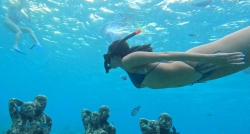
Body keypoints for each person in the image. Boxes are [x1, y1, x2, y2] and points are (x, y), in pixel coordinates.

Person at [103, 27, 250, 89]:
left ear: (114, 55)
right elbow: (164, 67)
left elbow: (167, 55)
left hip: (199, 63)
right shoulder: (130, 65)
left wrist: (212, 59)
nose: (107, 61)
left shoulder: (129, 60)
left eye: (107, 57)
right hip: (200, 75)